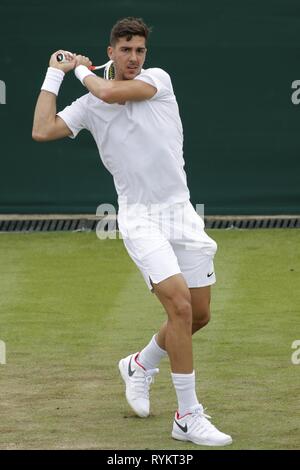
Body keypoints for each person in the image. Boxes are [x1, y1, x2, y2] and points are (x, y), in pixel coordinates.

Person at [32, 17, 232, 447]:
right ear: (111, 52)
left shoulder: (157, 80)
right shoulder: (88, 105)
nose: (134, 58)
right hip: (140, 218)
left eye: (139, 50)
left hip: (181, 213)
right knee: (178, 306)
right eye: (126, 50)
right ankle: (187, 416)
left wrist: (79, 70)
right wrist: (55, 73)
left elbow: (106, 90)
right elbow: (42, 129)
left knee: (198, 316)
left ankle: (139, 364)